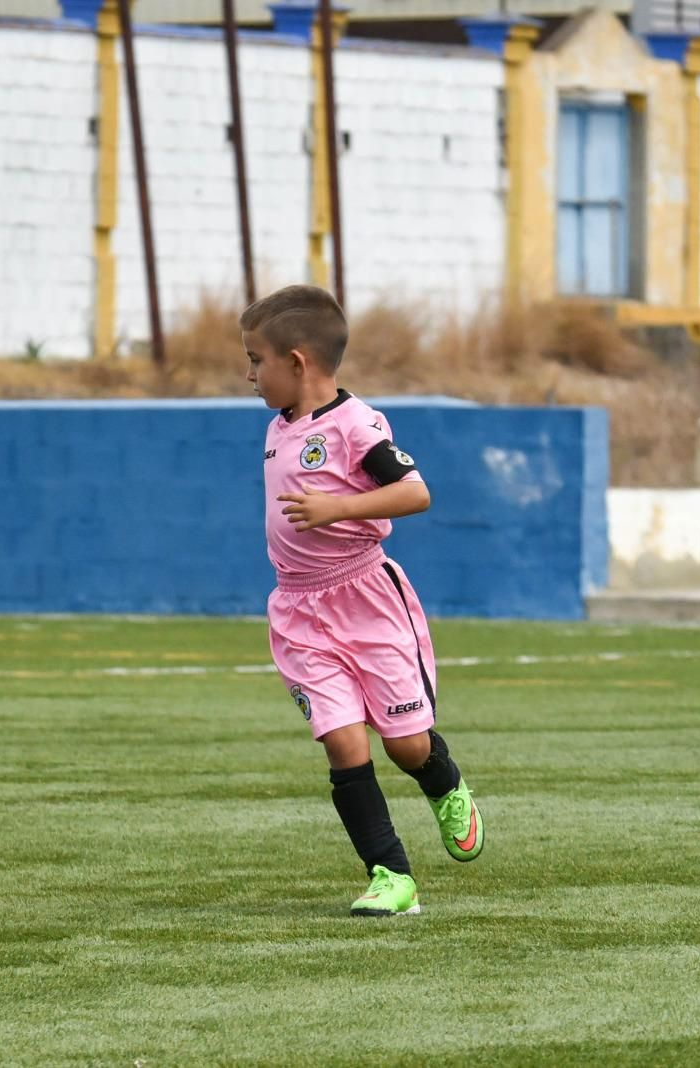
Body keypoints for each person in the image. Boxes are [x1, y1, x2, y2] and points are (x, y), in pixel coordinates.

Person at [242, 284, 484, 917]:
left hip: (367, 599)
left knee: (405, 745)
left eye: (256, 360)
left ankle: (444, 781)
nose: (249, 374)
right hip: (299, 611)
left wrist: (337, 508)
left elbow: (415, 493)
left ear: (296, 362)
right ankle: (391, 876)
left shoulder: (358, 425)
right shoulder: (277, 426)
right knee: (343, 744)